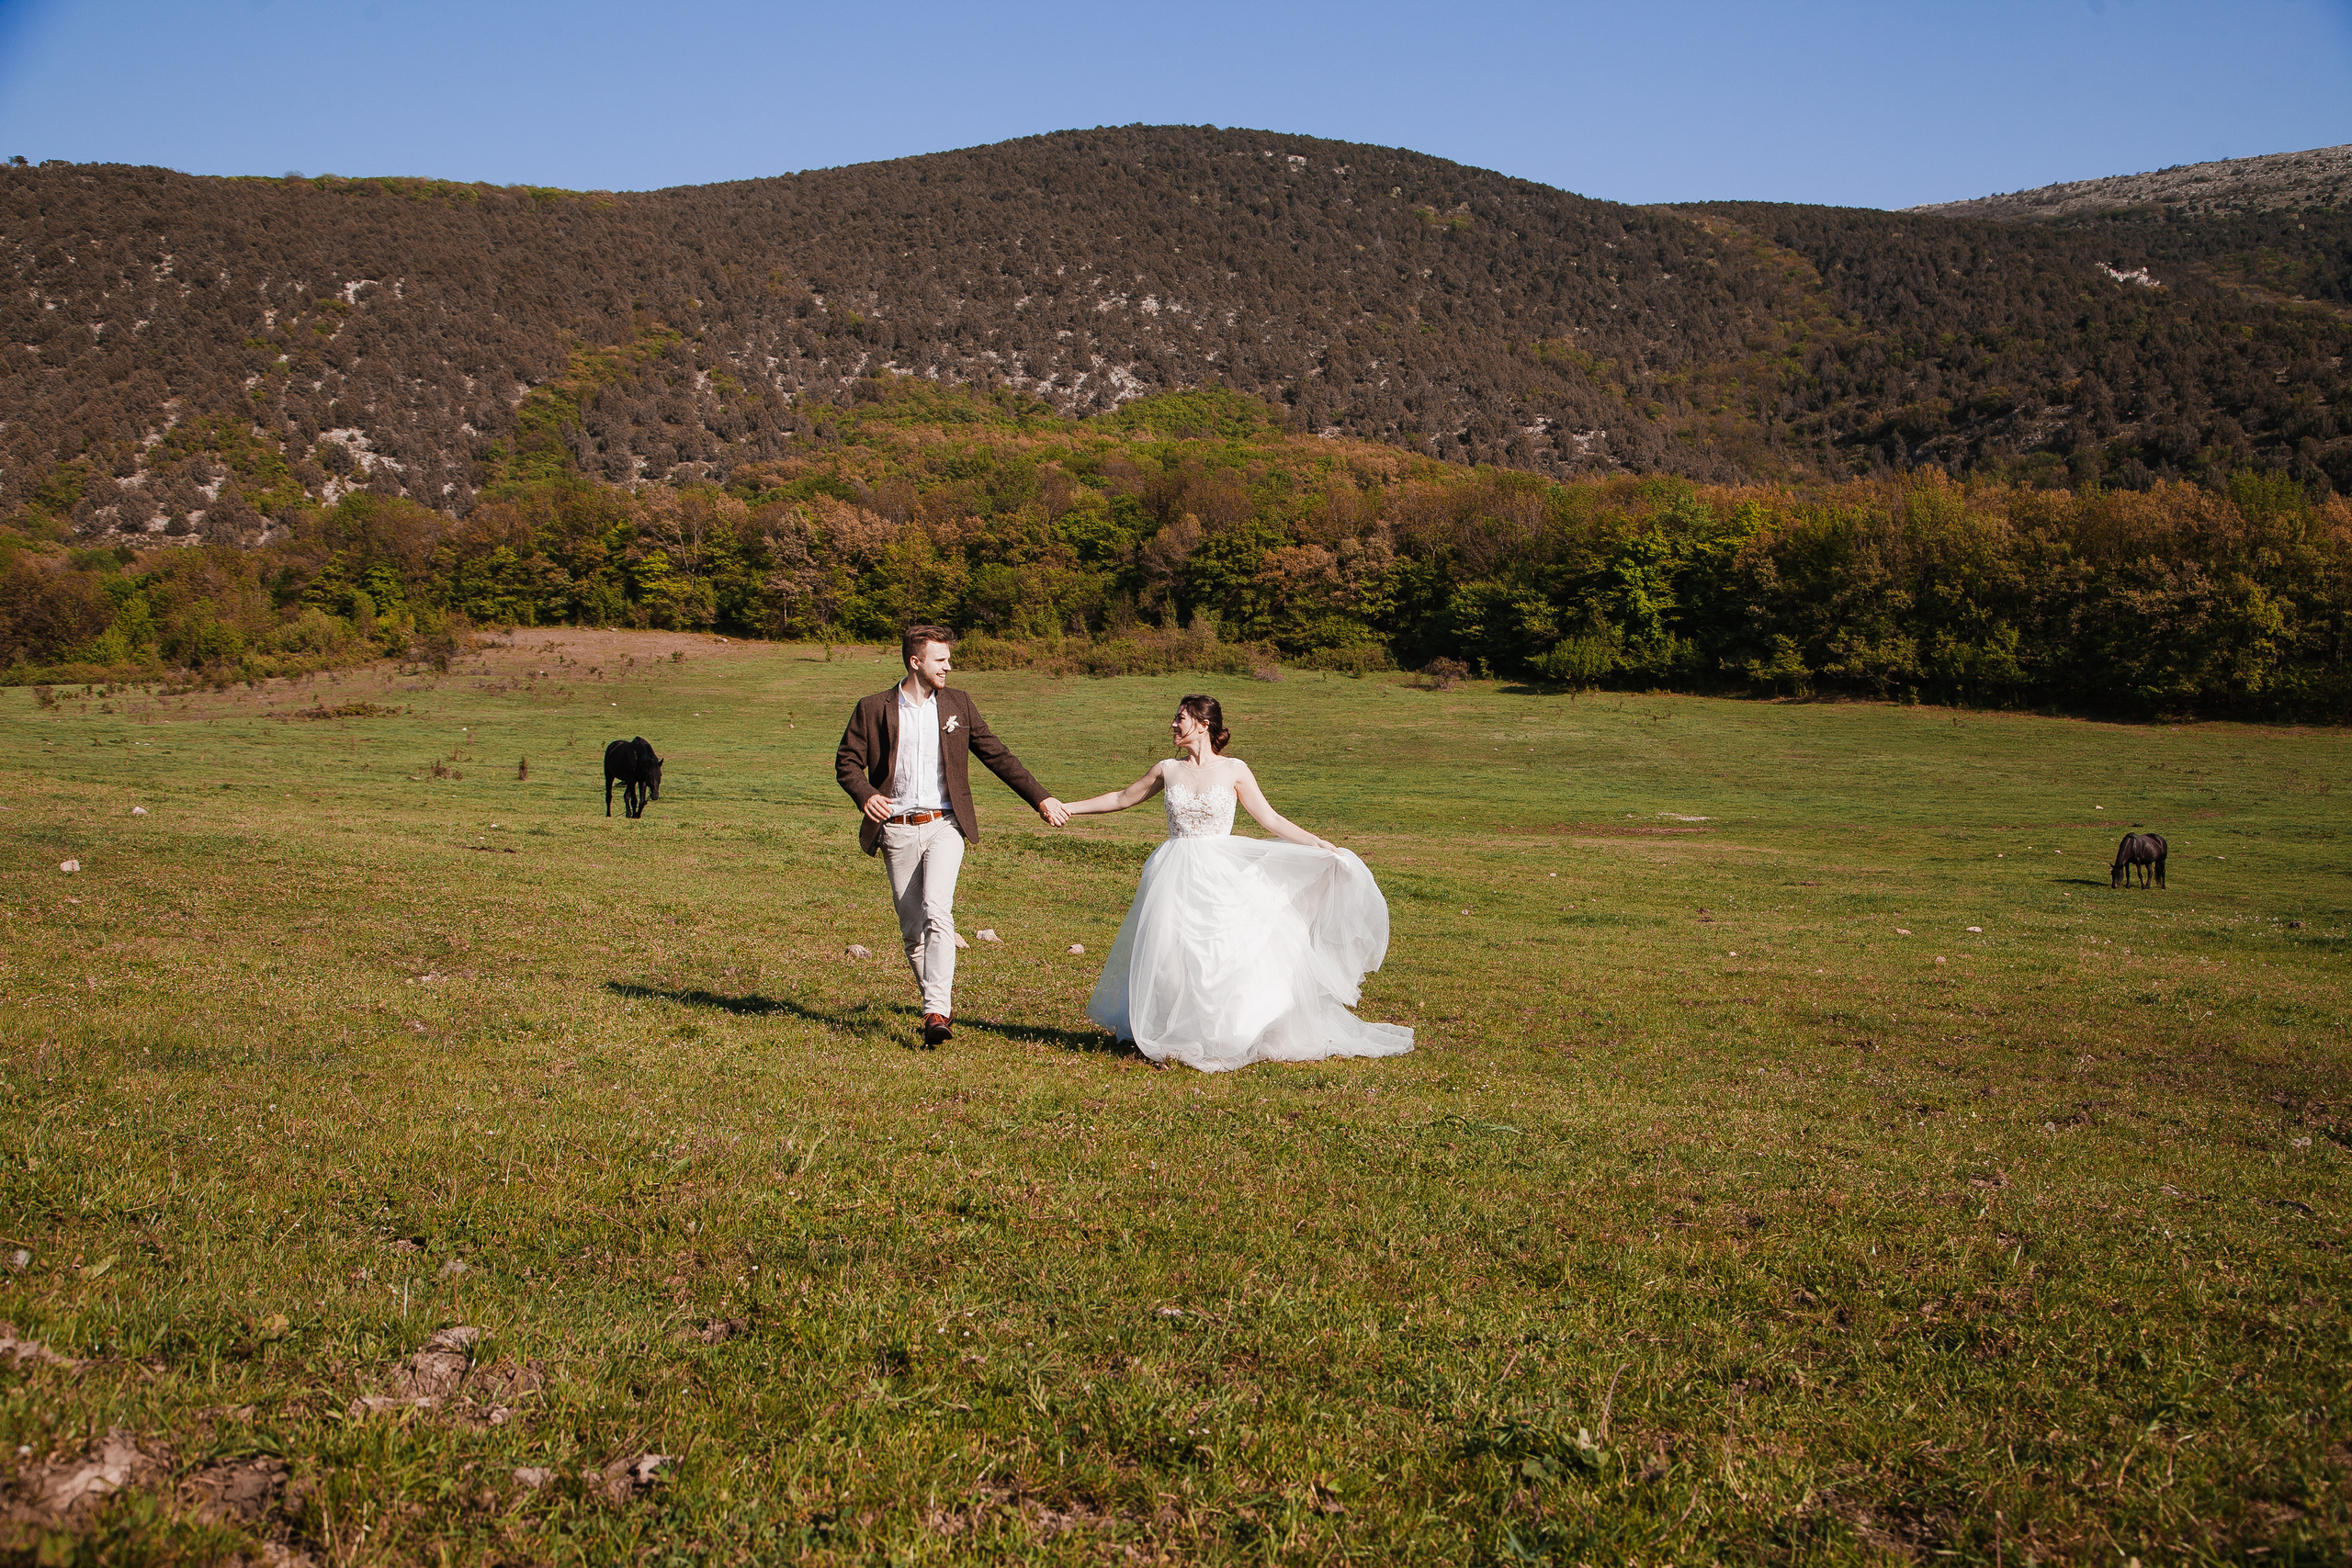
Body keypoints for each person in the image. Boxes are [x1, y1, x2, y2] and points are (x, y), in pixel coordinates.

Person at [1061, 694, 1413, 1073]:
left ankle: (1222, 1035)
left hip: (1219, 873)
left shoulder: (1235, 770)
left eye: (1180, 718)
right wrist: (1068, 807)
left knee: (1218, 953)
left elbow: (1271, 820)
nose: (1173, 725)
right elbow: (1121, 798)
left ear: (1202, 723)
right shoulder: (1167, 769)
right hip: (1173, 872)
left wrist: (1319, 844)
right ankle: (1168, 1035)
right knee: (1168, 954)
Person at [835, 626, 1069, 1047]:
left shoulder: (958, 703)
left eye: (947, 659)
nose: (948, 666)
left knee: (936, 910)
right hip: (897, 830)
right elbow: (847, 762)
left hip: (946, 825)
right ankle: (936, 1004)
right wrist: (866, 794)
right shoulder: (872, 708)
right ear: (915, 662)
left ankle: (935, 1012)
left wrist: (1041, 798)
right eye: (940, 660)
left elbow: (997, 753)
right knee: (912, 930)